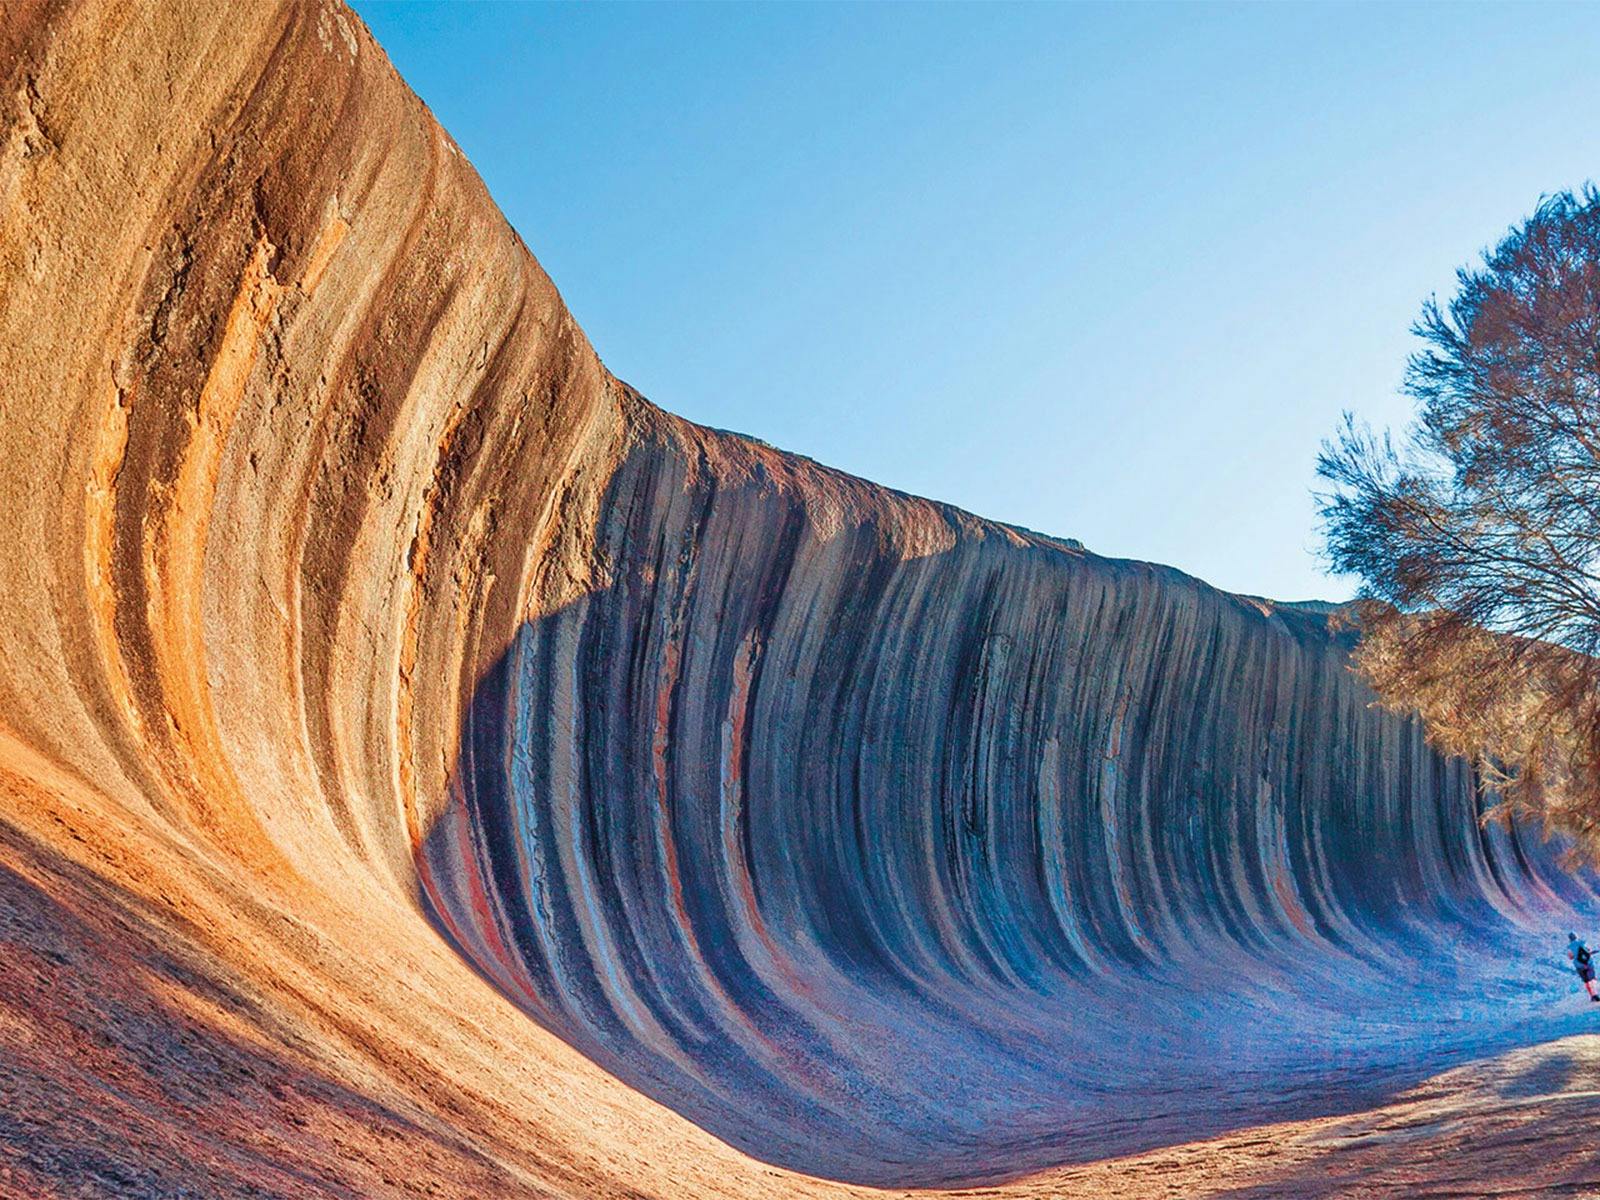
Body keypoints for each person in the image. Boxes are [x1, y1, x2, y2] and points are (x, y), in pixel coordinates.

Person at [1568, 932, 1599, 1002]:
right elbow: (1589, 951)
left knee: (1587, 981)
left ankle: (1593, 995)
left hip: (1580, 966)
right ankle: (1596, 991)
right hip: (1589, 964)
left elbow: (1570, 957)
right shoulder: (1583, 942)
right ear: (1577, 936)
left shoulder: (1570, 947)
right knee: (1592, 978)